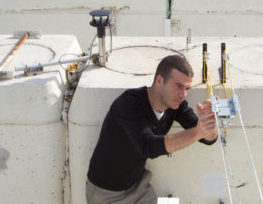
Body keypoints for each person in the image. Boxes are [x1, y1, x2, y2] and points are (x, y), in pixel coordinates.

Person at [86, 55, 217, 204]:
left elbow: (209, 140)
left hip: (139, 187)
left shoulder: (176, 105)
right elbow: (148, 146)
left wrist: (208, 123)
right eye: (178, 87)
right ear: (160, 81)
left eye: (187, 89)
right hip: (106, 193)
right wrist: (197, 132)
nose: (183, 95)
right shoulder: (129, 104)